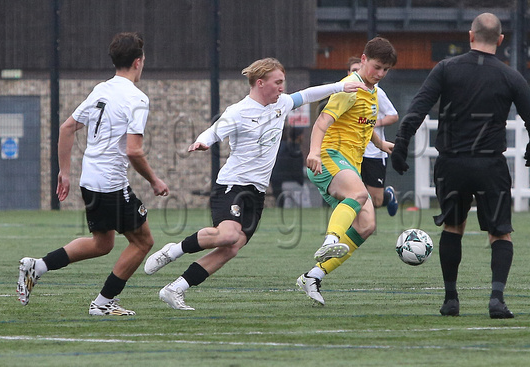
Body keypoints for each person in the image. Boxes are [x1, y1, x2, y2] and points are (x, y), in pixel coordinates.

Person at [143, 57, 367, 310]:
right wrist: (202, 141)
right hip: (233, 186)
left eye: (284, 82)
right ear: (260, 83)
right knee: (227, 234)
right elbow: (215, 131)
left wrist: (340, 86)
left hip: (257, 192)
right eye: (278, 82)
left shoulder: (281, 104)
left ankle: (175, 289)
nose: (283, 88)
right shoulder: (238, 111)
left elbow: (307, 94)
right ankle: (172, 252)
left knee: (232, 247)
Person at [391, 13, 530, 319]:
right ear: (500, 40)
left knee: (453, 226)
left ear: (471, 35)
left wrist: (401, 146)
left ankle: (451, 300)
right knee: (500, 233)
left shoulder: (446, 68)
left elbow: (416, 111)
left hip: (452, 164)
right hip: (490, 164)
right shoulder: (510, 76)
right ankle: (496, 299)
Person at [16, 32, 170, 316]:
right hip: (111, 183)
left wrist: (65, 173)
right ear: (138, 62)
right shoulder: (137, 98)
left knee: (103, 243)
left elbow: (66, 128)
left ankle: (37, 266)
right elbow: (134, 151)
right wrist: (155, 180)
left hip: (91, 180)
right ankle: (102, 303)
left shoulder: (102, 89)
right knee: (144, 241)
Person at [297, 37, 397, 305]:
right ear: (363, 60)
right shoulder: (349, 89)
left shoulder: (372, 91)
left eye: (385, 70)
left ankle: (314, 276)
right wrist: (314, 152)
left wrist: (380, 143)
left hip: (349, 164)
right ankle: (331, 239)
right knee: (359, 194)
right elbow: (321, 123)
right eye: (377, 67)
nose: (380, 74)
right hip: (329, 157)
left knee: (366, 226)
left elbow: (364, 123)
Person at [346, 56, 400, 214]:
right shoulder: (343, 90)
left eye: (358, 69)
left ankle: (388, 196)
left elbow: (393, 115)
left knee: (376, 200)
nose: (356, 73)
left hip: (373, 152)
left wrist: (375, 123)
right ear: (348, 72)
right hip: (352, 151)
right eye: (353, 70)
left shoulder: (376, 92)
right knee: (351, 194)